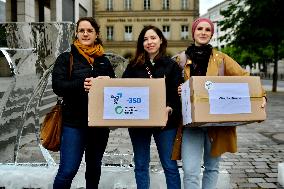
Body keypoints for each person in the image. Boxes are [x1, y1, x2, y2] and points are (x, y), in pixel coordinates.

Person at [172, 18, 267, 189]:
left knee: (212, 168)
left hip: (216, 124)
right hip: (190, 125)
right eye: (199, 28)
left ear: (211, 34)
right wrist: (177, 89)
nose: (203, 32)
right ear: (193, 32)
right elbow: (168, 85)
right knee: (190, 171)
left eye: (207, 30)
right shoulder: (180, 59)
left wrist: (262, 95)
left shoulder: (221, 58)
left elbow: (245, 78)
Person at [52, 17, 115, 189]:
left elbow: (115, 89)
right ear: (77, 34)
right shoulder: (66, 58)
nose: (85, 34)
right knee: (68, 170)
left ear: (96, 34)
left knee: (94, 169)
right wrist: (81, 84)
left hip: (99, 125)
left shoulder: (104, 60)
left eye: (89, 31)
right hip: (74, 123)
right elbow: (58, 86)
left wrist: (109, 82)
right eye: (82, 30)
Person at [122, 25, 182, 189]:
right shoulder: (133, 65)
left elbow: (178, 95)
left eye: (153, 38)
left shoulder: (171, 66)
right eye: (145, 39)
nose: (149, 42)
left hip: (165, 123)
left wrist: (169, 107)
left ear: (161, 40)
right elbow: (123, 90)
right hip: (139, 123)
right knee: (141, 164)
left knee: (170, 165)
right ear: (141, 43)